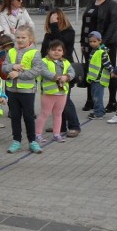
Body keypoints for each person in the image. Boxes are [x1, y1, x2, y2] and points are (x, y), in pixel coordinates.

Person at [2, 25, 45, 154]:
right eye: (18, 37)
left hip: (27, 92)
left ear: (30, 38)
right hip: (11, 90)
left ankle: (32, 141)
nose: (20, 40)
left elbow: (36, 71)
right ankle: (16, 141)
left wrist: (19, 74)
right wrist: (12, 66)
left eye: (23, 37)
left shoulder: (35, 53)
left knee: (28, 116)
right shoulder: (11, 51)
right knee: (14, 116)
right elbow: (3, 67)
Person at [80, 0, 117, 112]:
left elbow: (112, 25)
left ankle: (112, 101)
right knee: (91, 71)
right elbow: (85, 25)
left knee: (109, 70)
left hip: (107, 44)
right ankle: (91, 100)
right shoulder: (91, 3)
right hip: (90, 44)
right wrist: (83, 42)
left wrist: (103, 43)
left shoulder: (112, 5)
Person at [41, 8, 80, 138]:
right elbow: (43, 51)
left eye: (56, 19)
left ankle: (74, 126)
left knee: (65, 99)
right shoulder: (49, 34)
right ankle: (61, 126)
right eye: (51, 19)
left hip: (65, 71)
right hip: (51, 73)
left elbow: (61, 45)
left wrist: (54, 26)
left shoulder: (69, 32)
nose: (53, 21)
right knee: (56, 100)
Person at [35, 41, 75, 143]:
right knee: (45, 113)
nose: (56, 52)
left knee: (58, 114)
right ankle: (37, 134)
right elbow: (44, 72)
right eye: (53, 50)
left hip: (62, 93)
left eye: (59, 50)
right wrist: (57, 77)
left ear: (63, 52)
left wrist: (67, 76)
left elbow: (72, 72)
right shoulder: (43, 61)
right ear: (48, 51)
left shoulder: (66, 62)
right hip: (48, 93)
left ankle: (56, 134)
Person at [85, 31, 113, 119]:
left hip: (99, 79)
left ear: (100, 41)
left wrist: (112, 71)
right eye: (90, 42)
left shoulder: (101, 52)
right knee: (95, 96)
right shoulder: (94, 51)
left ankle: (99, 113)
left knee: (97, 97)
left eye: (94, 41)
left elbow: (107, 63)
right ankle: (100, 110)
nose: (92, 43)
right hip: (94, 78)